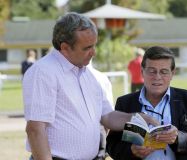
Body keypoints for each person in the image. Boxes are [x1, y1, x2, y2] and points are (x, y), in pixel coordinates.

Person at [22, 12, 159, 160]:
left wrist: (136, 118)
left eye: (94, 45)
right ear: (65, 47)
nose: (93, 52)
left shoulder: (91, 75)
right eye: (87, 48)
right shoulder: (43, 72)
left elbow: (107, 116)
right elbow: (35, 129)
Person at [106, 46, 187, 160]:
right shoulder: (125, 103)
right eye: (152, 71)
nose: (157, 77)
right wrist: (131, 150)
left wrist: (178, 138)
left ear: (172, 73)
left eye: (164, 72)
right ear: (142, 71)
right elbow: (112, 145)